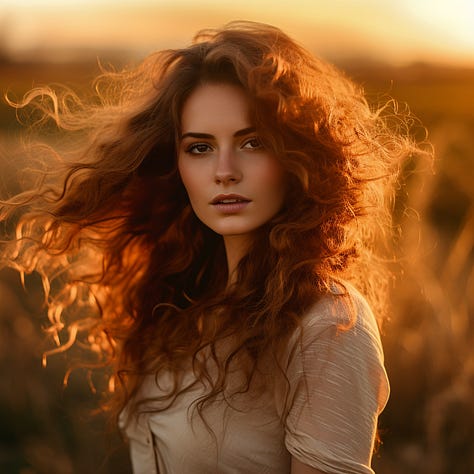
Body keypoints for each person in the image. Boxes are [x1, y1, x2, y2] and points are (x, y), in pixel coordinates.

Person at [0, 20, 424, 474]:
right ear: (175, 163)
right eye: (200, 148)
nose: (224, 171)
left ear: (299, 157)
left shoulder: (328, 326)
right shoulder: (178, 301)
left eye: (253, 142)